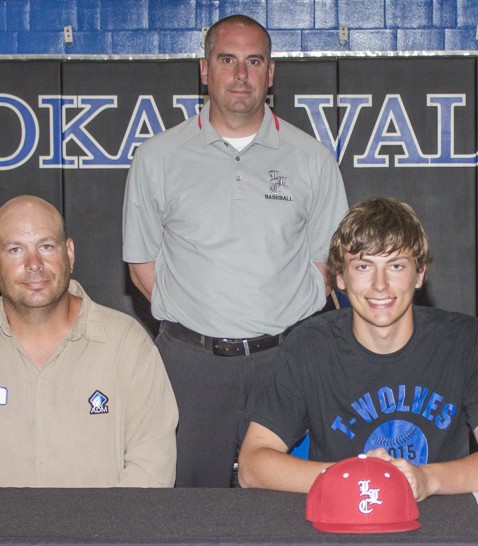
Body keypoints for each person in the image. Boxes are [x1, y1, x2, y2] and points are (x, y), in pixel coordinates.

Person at [122, 14, 348, 487]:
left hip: (286, 362)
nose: (240, 74)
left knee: (289, 508)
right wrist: (205, 319)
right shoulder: (157, 158)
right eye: (227, 60)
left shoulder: (312, 159)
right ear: (205, 69)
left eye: (254, 61)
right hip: (191, 368)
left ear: (271, 73)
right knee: (184, 509)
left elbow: (327, 265)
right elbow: (142, 265)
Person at [237, 197, 478, 501]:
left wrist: (426, 479)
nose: (380, 285)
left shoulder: (467, 341)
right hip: (343, 517)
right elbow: (252, 465)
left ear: (419, 274)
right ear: (339, 277)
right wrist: (354, 477)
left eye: (396, 266)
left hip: (442, 521)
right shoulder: (309, 345)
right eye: (363, 266)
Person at [0, 195, 178, 487]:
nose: (34, 264)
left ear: (69, 254)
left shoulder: (128, 346)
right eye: (15, 250)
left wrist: (101, 532)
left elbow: (152, 469)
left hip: (102, 531)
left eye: (46, 246)